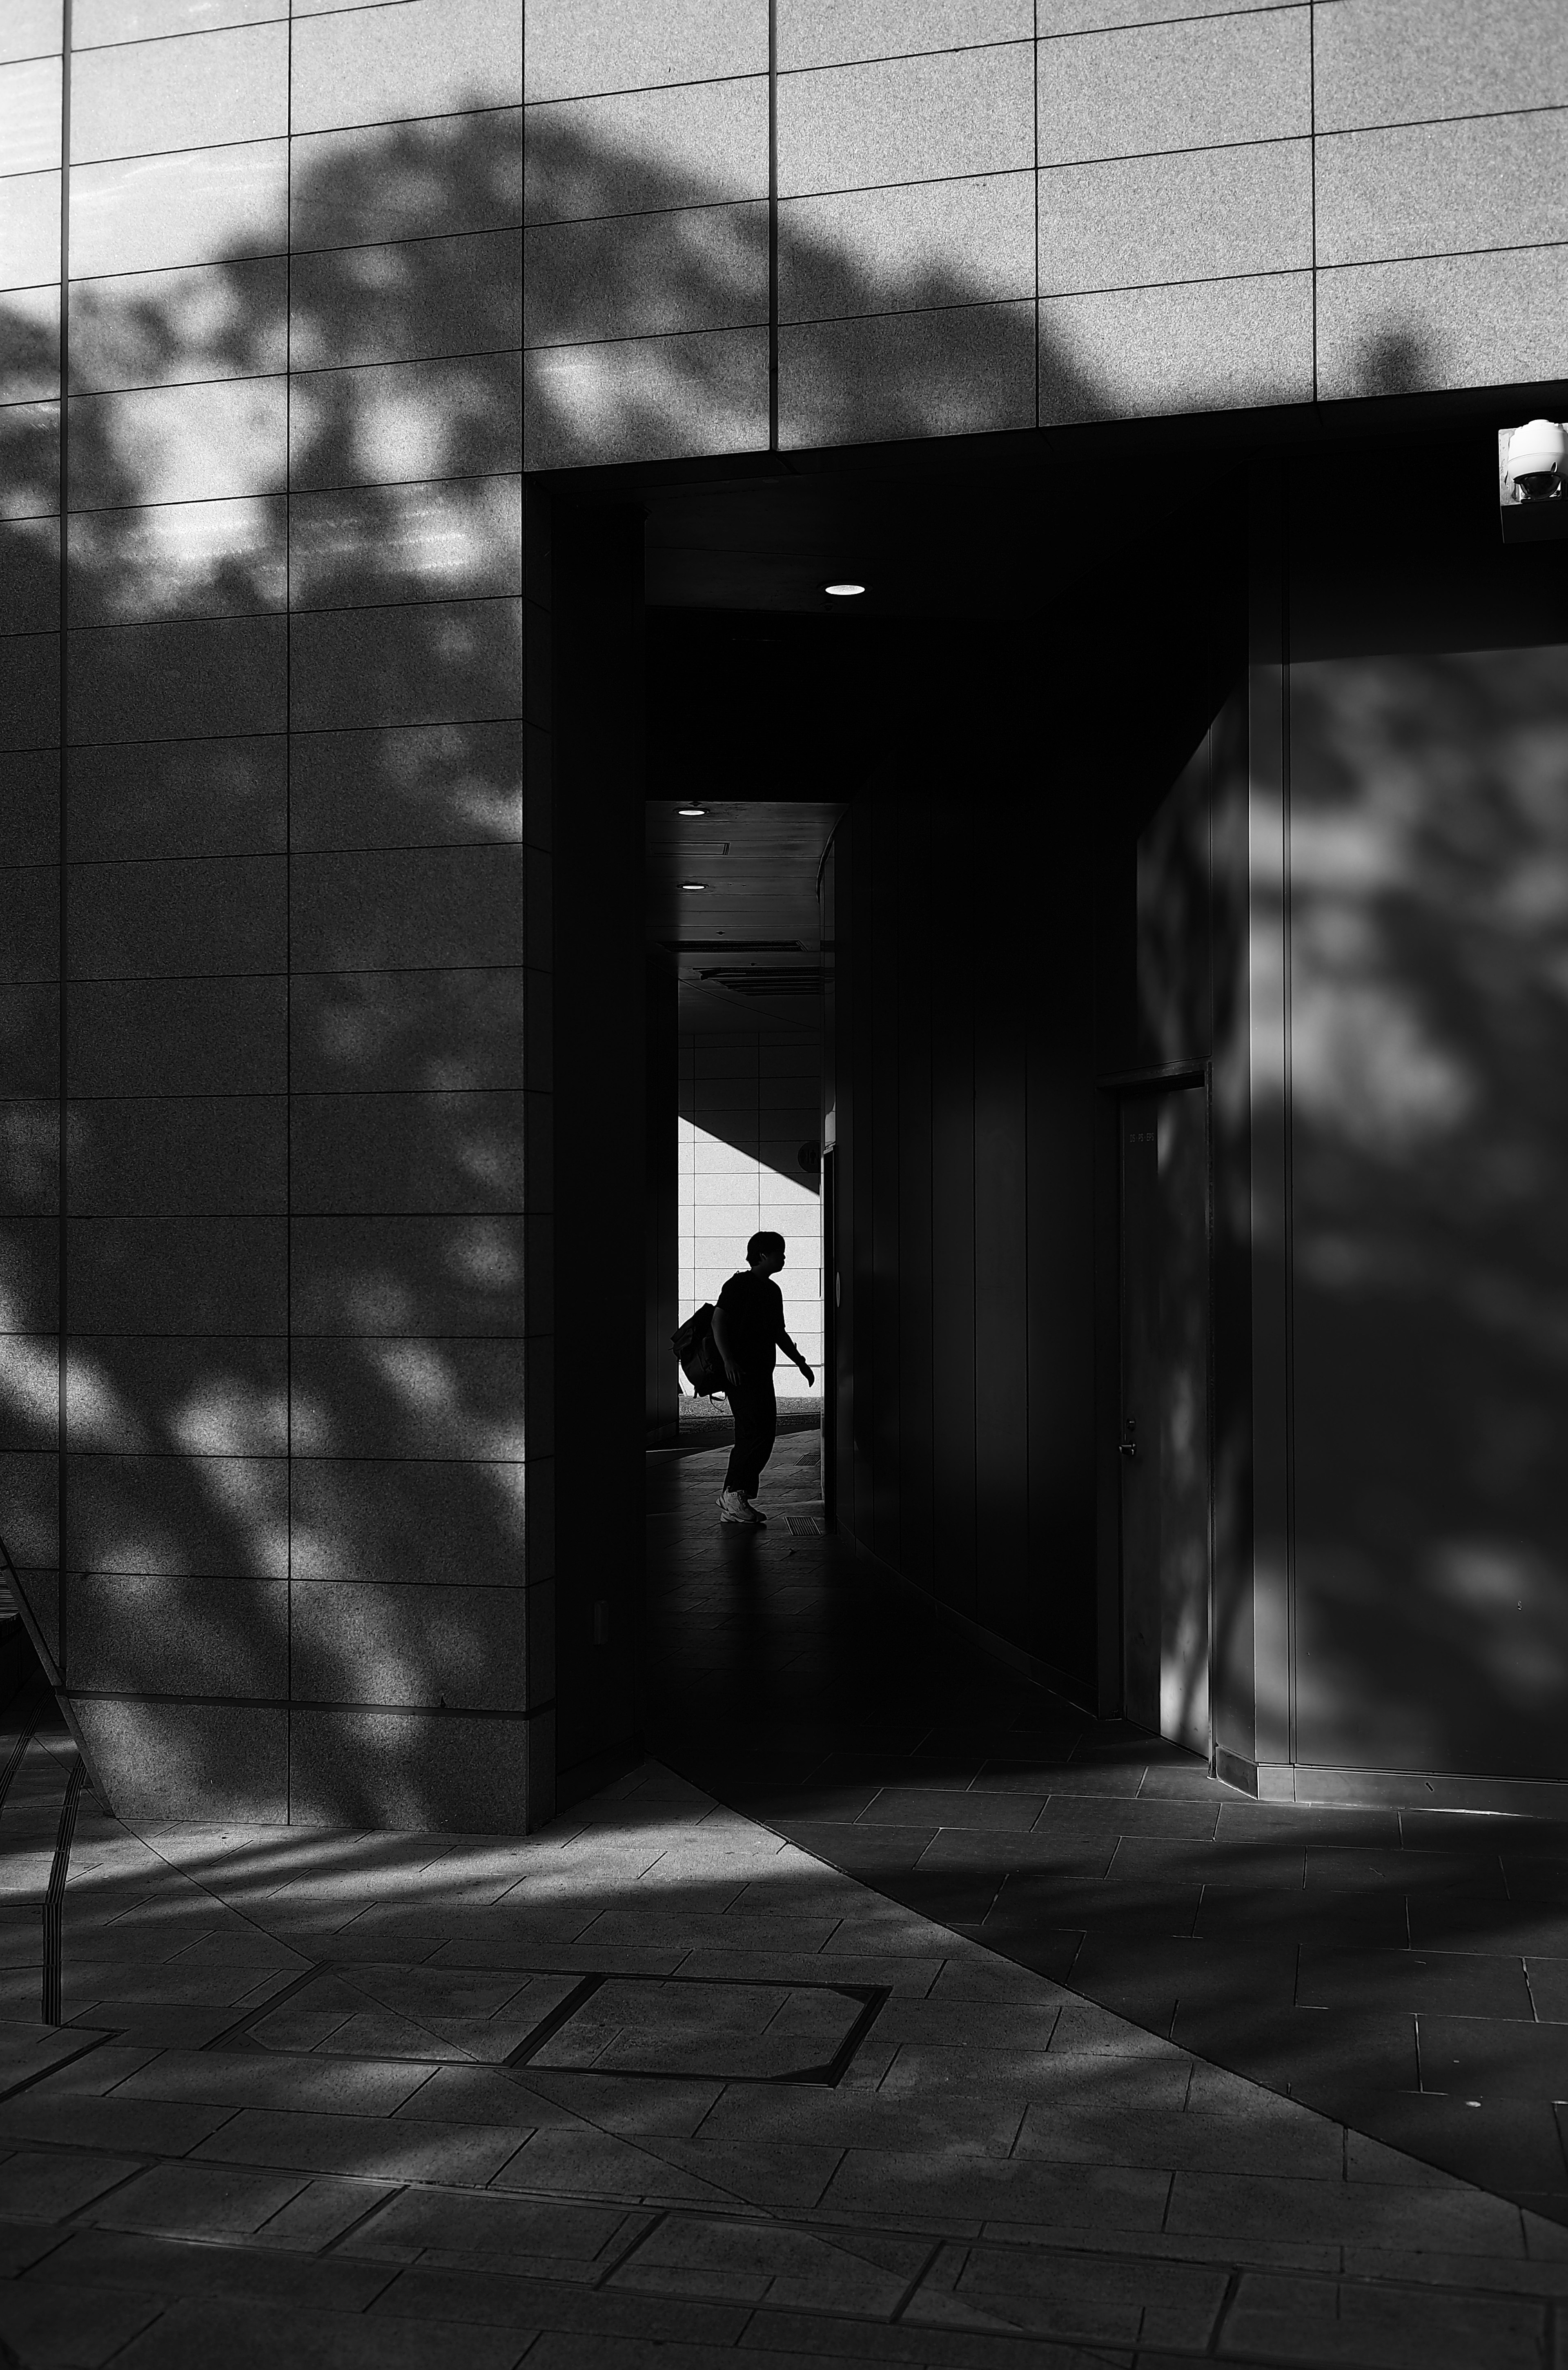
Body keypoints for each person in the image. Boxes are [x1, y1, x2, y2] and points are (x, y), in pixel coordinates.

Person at [711, 1230, 814, 1525]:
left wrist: (801, 1363)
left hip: (760, 1372)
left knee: (763, 1433)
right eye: (779, 1253)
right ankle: (734, 1495)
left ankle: (734, 1498)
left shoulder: (772, 1291)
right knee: (752, 1433)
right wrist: (729, 1360)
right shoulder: (739, 1285)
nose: (784, 1258)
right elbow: (718, 1320)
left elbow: (778, 1333)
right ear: (763, 1255)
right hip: (740, 1373)